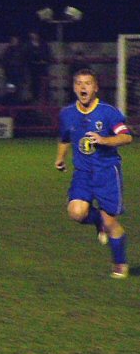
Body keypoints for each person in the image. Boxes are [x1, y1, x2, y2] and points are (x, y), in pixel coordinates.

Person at [55, 68, 132, 278]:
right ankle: (97, 220)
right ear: (73, 87)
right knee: (76, 212)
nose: (82, 87)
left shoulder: (108, 112)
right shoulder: (67, 113)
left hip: (107, 172)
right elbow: (64, 138)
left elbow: (127, 137)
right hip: (83, 173)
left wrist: (104, 140)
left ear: (96, 87)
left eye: (87, 83)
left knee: (111, 223)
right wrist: (60, 158)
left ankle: (120, 263)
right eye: (78, 83)